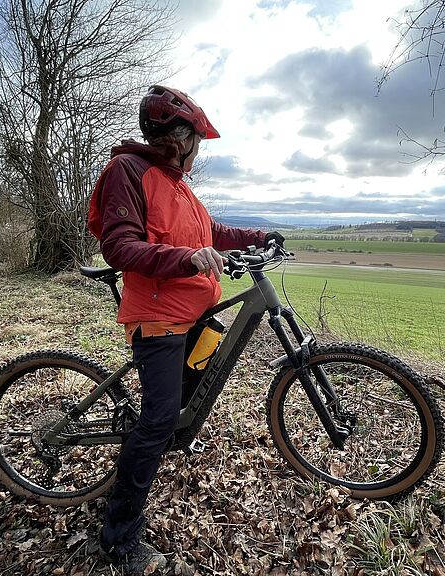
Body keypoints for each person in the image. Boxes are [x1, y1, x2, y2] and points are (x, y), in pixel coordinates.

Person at [87, 85, 284, 573]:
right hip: (157, 314)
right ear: (175, 136)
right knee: (154, 423)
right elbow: (120, 246)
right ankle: (119, 537)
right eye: (195, 137)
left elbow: (209, 233)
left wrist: (259, 236)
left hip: (192, 310)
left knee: (191, 387)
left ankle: (174, 428)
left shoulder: (176, 184)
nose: (199, 147)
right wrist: (185, 257)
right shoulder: (126, 172)